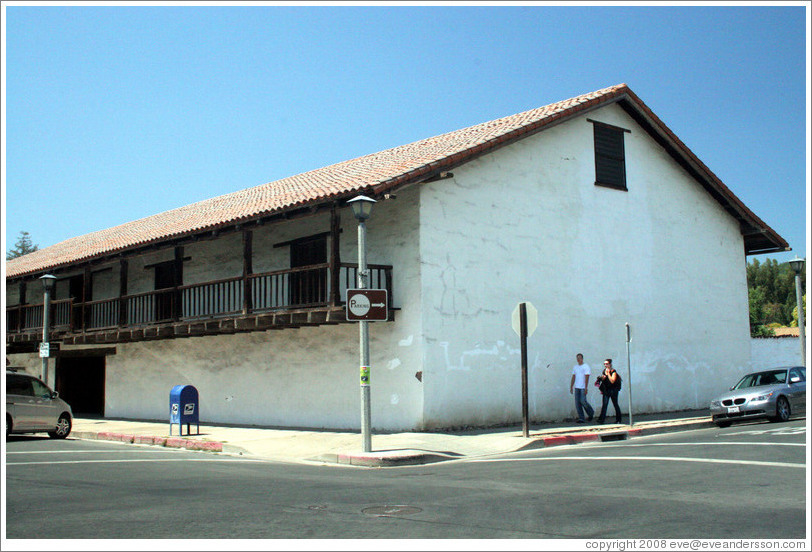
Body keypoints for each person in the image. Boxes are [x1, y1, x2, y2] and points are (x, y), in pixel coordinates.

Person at [569, 353, 594, 423]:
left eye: (579, 358)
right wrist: (571, 386)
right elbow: (573, 376)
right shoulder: (575, 367)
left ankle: (591, 412)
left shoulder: (586, 366)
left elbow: (587, 377)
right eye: (577, 358)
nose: (578, 359)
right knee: (577, 403)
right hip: (577, 387)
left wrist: (586, 387)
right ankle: (581, 418)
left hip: (583, 387)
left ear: (582, 359)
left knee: (583, 401)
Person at [596, 358, 622, 424]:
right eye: (604, 364)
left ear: (610, 364)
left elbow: (612, 381)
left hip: (613, 390)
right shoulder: (604, 371)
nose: (605, 365)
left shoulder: (613, 371)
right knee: (604, 404)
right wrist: (601, 378)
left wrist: (608, 374)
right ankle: (601, 419)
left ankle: (618, 419)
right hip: (606, 390)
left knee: (615, 404)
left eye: (607, 364)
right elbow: (605, 379)